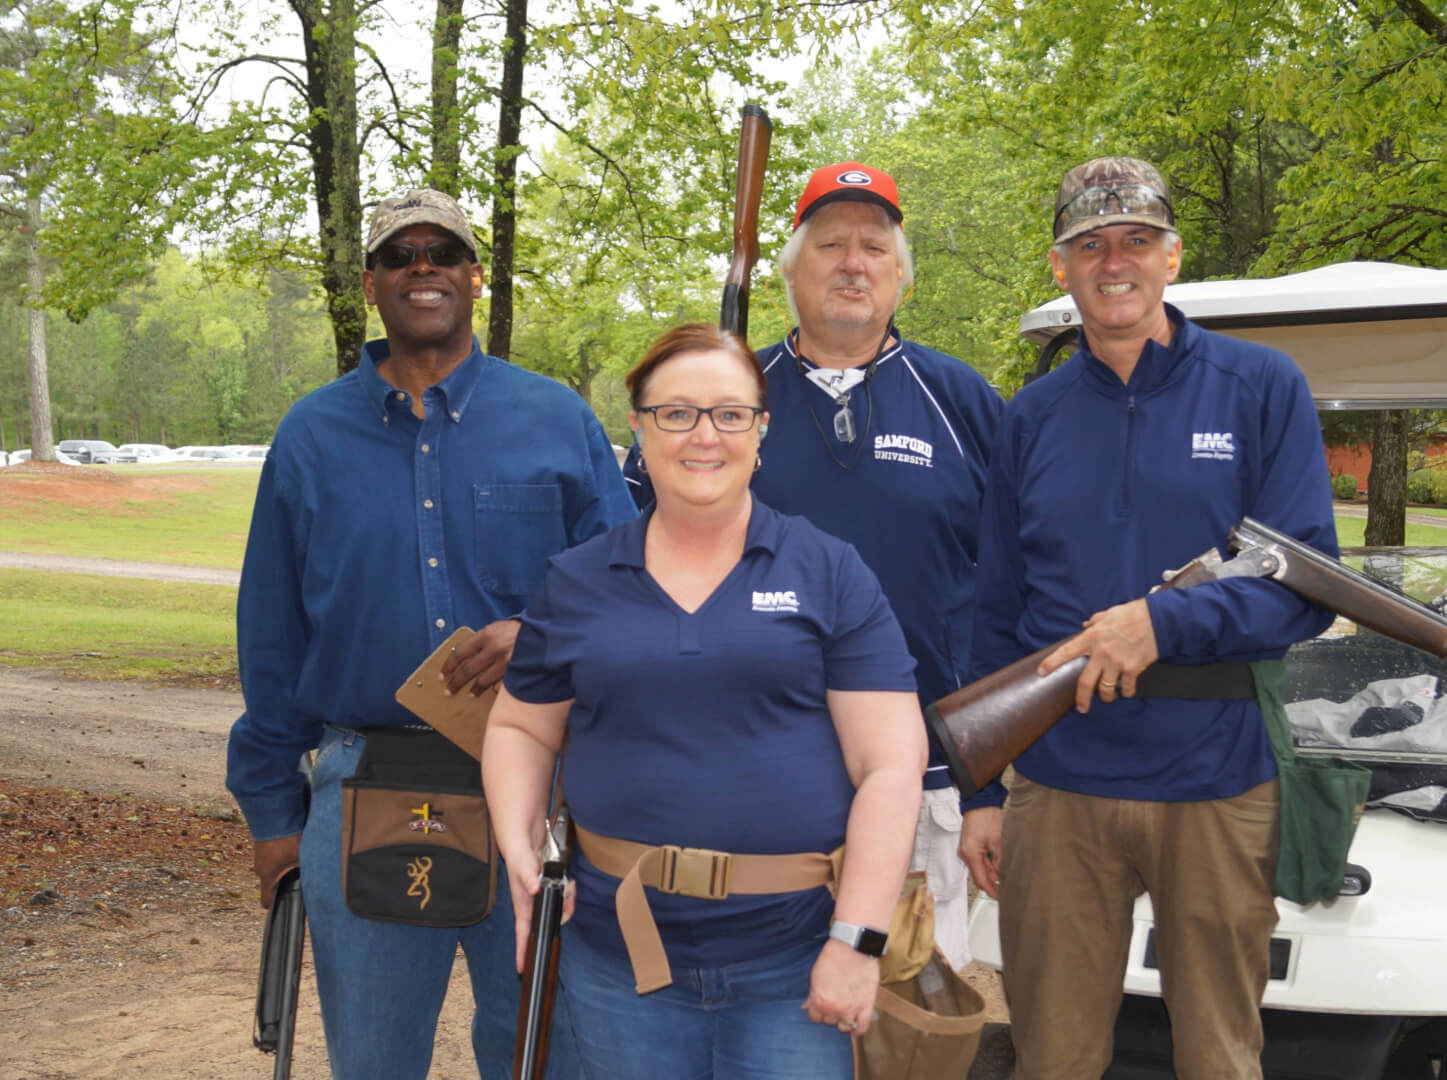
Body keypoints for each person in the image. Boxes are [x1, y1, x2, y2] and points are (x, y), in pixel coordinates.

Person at [226, 188, 635, 1080]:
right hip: (364, 783)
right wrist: (270, 807)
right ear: (370, 283)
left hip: (538, 787)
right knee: (373, 1061)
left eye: (443, 252)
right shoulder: (310, 435)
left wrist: (539, 632)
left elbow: (628, 587)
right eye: (401, 254)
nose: (423, 268)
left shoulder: (556, 420)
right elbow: (271, 633)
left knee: (538, 1054)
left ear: (474, 278)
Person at [957, 157, 1338, 1078]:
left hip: (1216, 770)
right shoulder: (1031, 417)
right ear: (1061, 268)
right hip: (1057, 779)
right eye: (1089, 244)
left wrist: (1163, 627)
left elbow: (1306, 584)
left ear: (1173, 257)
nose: (1112, 261)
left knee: (1220, 1055)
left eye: (1135, 240)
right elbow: (991, 609)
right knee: (1052, 1055)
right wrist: (977, 794)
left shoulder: (1260, 386)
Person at [486, 324, 926, 1079]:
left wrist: (856, 942)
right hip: (618, 966)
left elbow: (890, 762)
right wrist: (519, 845)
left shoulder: (830, 572)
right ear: (639, 425)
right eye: (677, 412)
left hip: (794, 965)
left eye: (729, 414)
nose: (704, 436)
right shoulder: (578, 580)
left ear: (761, 429)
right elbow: (521, 725)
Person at [624, 162, 1001, 970]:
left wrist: (989, 791)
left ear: (901, 273)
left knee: (898, 1022)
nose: (853, 263)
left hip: (922, 775)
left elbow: (1010, 593)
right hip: (735, 767)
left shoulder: (963, 402)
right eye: (829, 244)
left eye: (874, 246)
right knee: (753, 1012)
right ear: (788, 268)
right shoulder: (719, 402)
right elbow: (624, 561)